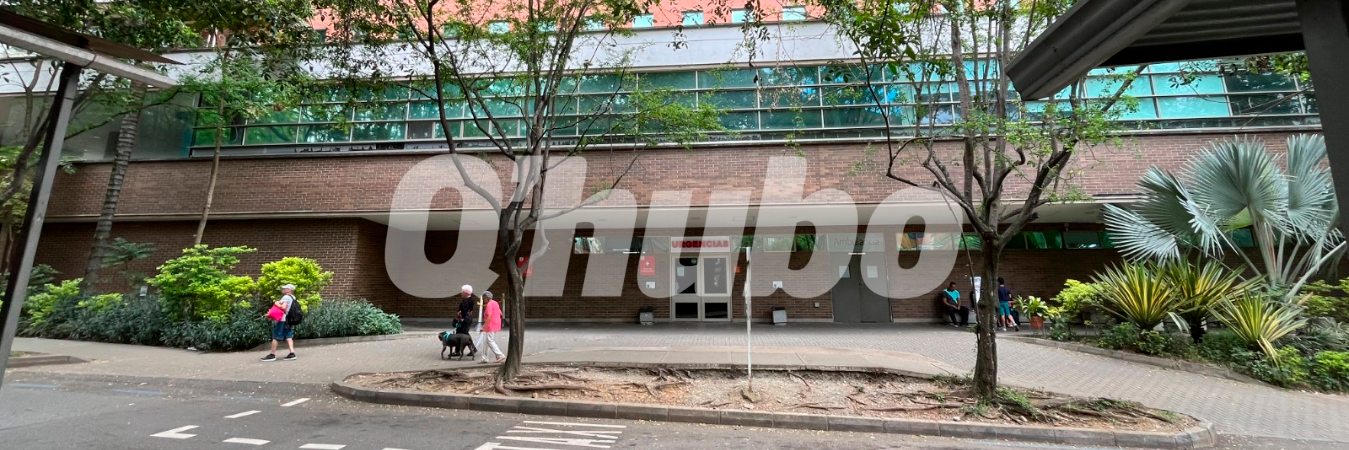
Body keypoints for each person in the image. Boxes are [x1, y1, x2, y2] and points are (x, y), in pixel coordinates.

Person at [262, 284, 298, 362]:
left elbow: (283, 307)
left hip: (283, 320)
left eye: (285, 288)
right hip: (288, 320)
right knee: (288, 336)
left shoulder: (286, 297)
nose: (283, 289)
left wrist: (276, 303)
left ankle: (272, 355)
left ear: (289, 290)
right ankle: (292, 354)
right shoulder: (293, 297)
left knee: (276, 337)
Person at [475, 291, 506, 364]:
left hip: (491, 324)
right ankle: (484, 358)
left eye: (483, 298)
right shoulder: (495, 303)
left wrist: (484, 326)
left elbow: (489, 315)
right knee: (486, 341)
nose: (483, 300)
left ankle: (500, 355)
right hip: (496, 323)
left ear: (486, 298)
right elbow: (500, 313)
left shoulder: (489, 304)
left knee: (490, 341)